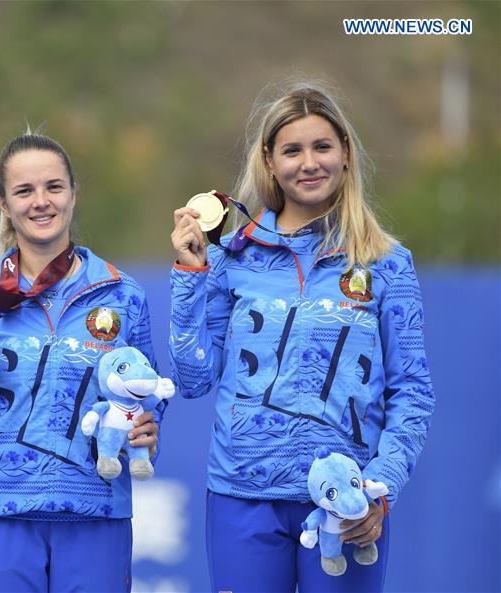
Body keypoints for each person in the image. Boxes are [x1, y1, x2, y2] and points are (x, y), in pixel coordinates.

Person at [169, 82, 434, 593]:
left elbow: (413, 392)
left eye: (322, 147)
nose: (308, 163)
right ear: (268, 161)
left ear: (346, 154)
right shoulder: (233, 257)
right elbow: (193, 378)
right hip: (240, 496)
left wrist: (379, 490)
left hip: (344, 501)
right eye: (292, 150)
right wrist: (189, 273)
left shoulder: (386, 264)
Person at [0, 132, 164, 593]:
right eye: (24, 190)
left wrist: (149, 431)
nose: (41, 202)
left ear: (74, 195)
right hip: (1, 514)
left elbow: (148, 403)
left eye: (54, 187)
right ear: (3, 204)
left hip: (96, 513)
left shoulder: (124, 295)